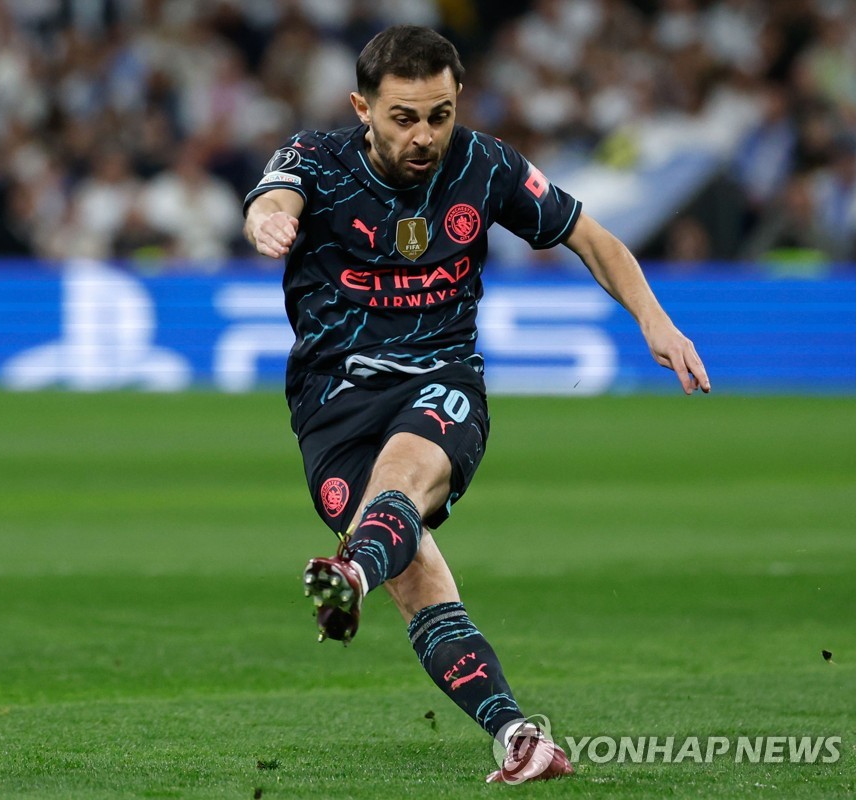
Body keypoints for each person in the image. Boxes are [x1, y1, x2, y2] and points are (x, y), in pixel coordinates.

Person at [242, 25, 710, 785]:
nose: (424, 135)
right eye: (403, 117)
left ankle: (351, 574)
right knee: (419, 580)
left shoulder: (485, 165)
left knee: (399, 484)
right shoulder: (314, 161)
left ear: (458, 102)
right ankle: (519, 735)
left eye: (440, 114)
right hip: (331, 403)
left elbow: (589, 235)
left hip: (442, 382)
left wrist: (654, 318)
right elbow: (273, 196)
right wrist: (269, 219)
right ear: (362, 107)